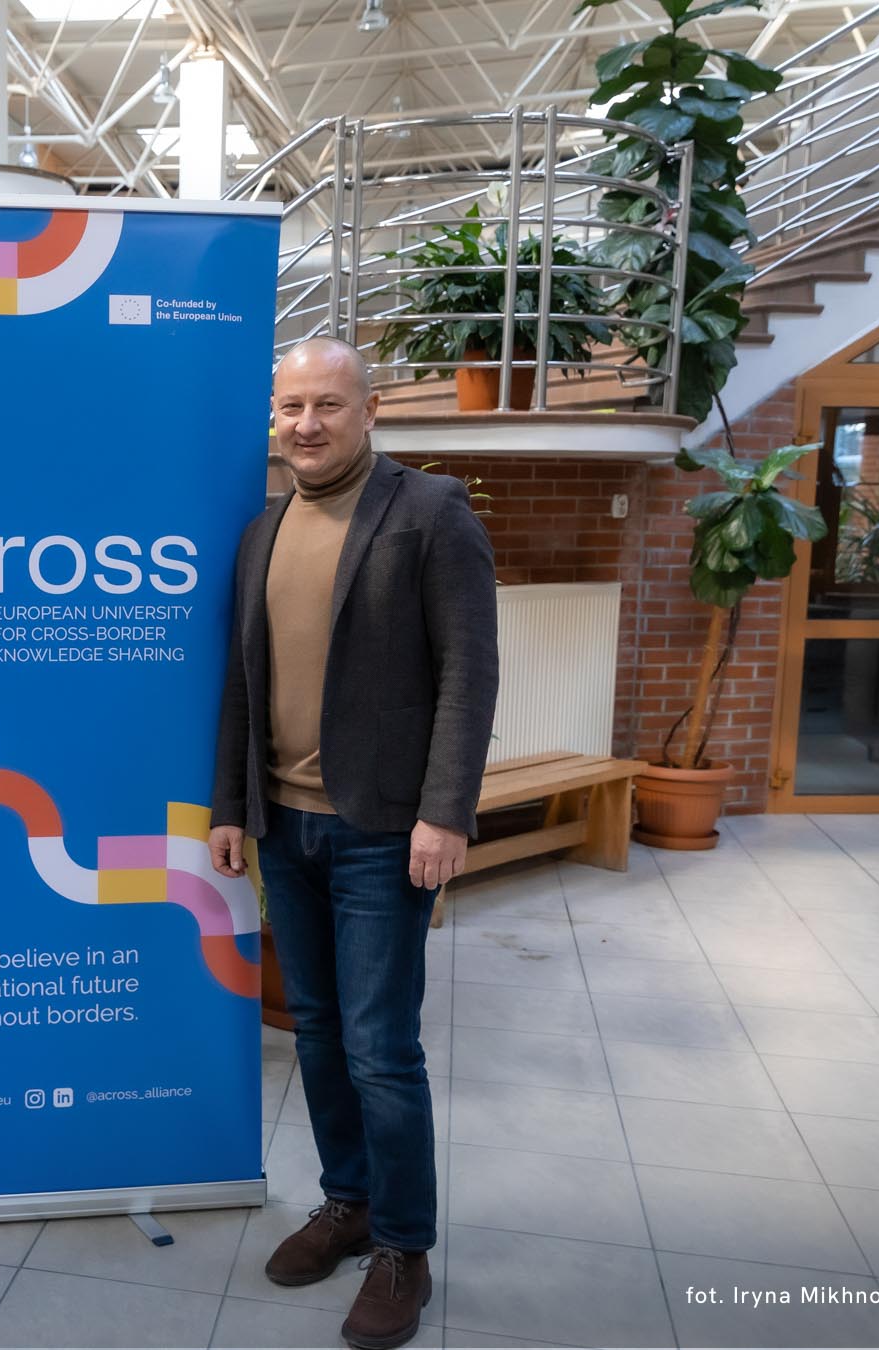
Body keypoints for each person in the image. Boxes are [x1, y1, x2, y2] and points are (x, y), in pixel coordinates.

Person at [208, 337, 497, 1350]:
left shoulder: (430, 514)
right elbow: (243, 684)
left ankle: (404, 1248)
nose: (306, 424)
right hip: (285, 828)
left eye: (328, 404)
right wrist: (230, 805)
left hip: (383, 831)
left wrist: (447, 810)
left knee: (382, 1050)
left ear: (371, 412)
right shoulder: (262, 532)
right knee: (319, 1037)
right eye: (291, 406)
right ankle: (349, 1202)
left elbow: (469, 670)